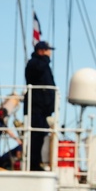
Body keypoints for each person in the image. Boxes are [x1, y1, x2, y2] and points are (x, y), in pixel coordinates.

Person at [24, 40, 56, 171]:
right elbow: (37, 72)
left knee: (40, 136)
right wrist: (46, 59)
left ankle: (36, 162)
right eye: (48, 50)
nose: (50, 53)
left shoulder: (42, 64)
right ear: (41, 51)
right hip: (36, 108)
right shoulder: (35, 63)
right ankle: (33, 164)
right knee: (35, 137)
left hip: (42, 109)